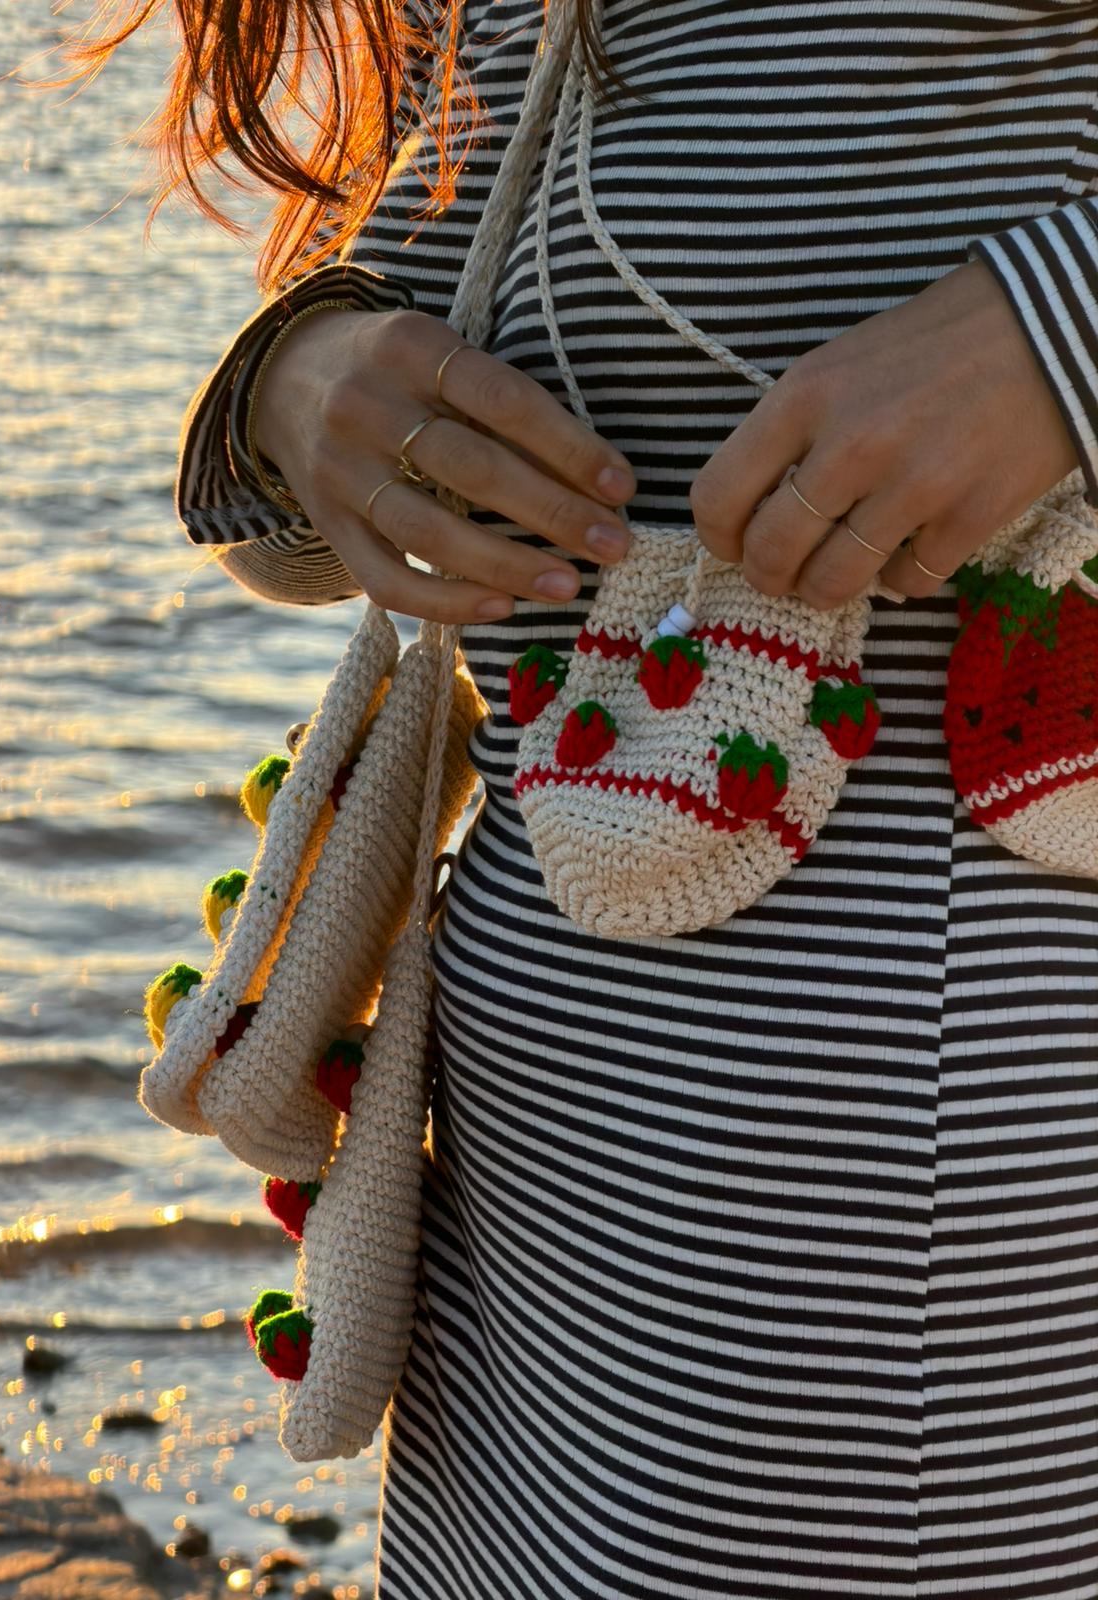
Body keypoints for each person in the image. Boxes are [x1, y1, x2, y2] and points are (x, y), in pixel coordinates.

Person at [71, 0, 1098, 1592]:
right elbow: (310, 536)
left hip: (905, 1240)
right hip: (524, 1214)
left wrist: (1056, 331)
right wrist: (300, 382)